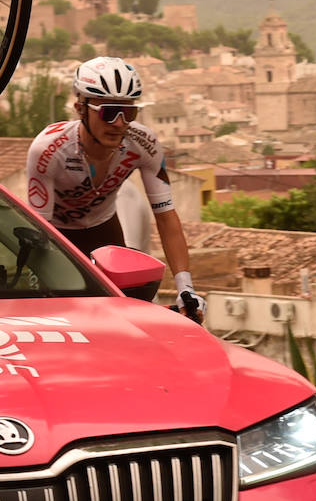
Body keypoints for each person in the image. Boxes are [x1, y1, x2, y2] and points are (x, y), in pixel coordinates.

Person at [25, 56, 205, 321]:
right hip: (57, 236)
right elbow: (40, 235)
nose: (120, 123)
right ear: (80, 108)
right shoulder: (49, 150)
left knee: (123, 313)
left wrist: (186, 288)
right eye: (109, 112)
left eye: (128, 112)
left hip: (104, 229)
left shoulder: (144, 144)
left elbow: (166, 218)